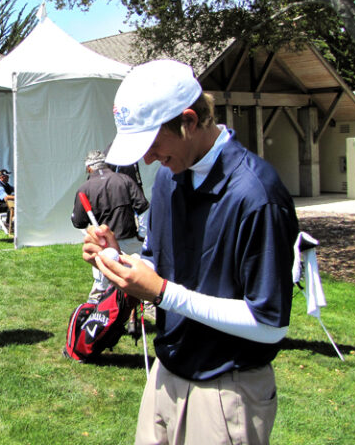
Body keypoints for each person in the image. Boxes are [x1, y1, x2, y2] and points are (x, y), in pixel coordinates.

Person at [83, 59, 298, 445]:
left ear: (189, 121)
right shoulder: (169, 176)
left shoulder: (257, 196)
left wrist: (164, 294)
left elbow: (270, 325)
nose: (147, 159)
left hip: (226, 389)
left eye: (152, 143)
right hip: (168, 374)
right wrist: (121, 259)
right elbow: (159, 261)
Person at [71, 149, 148, 302]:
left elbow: (78, 222)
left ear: (88, 168)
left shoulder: (85, 188)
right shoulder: (124, 180)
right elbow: (144, 208)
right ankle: (148, 306)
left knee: (102, 285)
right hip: (130, 240)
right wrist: (142, 234)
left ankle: (96, 314)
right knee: (141, 280)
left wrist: (92, 236)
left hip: (103, 245)